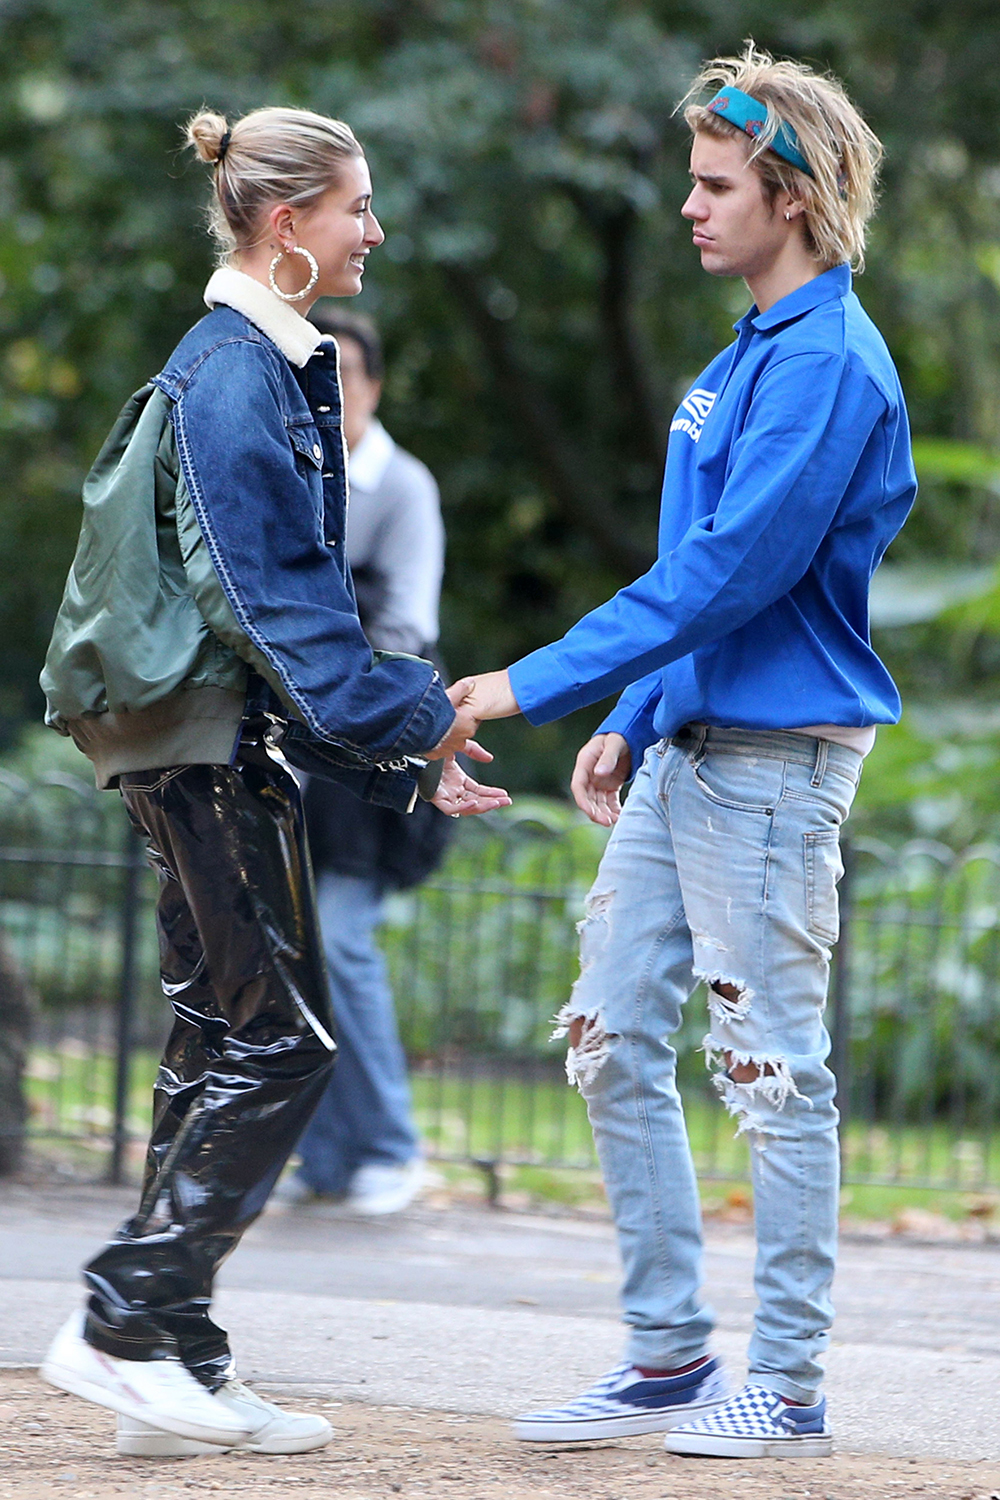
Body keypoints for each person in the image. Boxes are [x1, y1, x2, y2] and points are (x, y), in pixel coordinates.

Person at [459, 46, 914, 1459]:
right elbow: (699, 573)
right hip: (689, 747)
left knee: (773, 1071)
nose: (691, 209)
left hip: (775, 767)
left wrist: (528, 684)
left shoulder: (830, 363)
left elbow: (734, 573)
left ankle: (786, 1383)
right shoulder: (746, 357)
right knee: (605, 1042)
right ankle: (664, 1358)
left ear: (790, 194)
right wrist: (631, 717)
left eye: (717, 186)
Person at [37, 105, 509, 1460]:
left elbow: (275, 610)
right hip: (206, 742)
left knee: (216, 1030)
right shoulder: (239, 372)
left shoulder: (256, 360)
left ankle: (173, 1360)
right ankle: (129, 1318)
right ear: (284, 222)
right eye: (357, 206)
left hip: (201, 739)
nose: (376, 230)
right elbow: (272, 604)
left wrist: (399, 734)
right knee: (282, 1037)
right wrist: (417, 713)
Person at [280, 307, 450, 1214]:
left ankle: (392, 1145)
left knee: (341, 942)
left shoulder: (401, 485)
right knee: (292, 950)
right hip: (290, 757)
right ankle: (329, 1160)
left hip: (371, 753)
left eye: (345, 375)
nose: (330, 393)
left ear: (375, 387)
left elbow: (406, 632)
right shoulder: (290, 473)